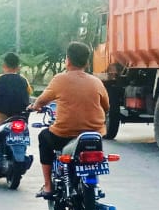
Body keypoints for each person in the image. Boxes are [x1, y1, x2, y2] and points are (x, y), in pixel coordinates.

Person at [30, 42, 110, 199]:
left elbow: (41, 100)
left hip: (63, 135)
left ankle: (48, 186)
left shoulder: (60, 79)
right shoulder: (96, 82)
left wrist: (35, 106)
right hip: (94, 135)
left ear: (68, 60)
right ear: (87, 62)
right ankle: (94, 185)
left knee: (43, 137)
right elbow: (106, 106)